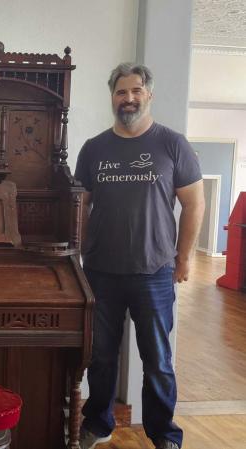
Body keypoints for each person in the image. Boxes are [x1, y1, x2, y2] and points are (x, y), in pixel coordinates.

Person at [74, 63, 205, 449]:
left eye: (135, 91)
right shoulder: (94, 148)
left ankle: (164, 434)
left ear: (148, 95)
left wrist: (184, 259)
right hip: (100, 272)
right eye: (120, 92)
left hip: (155, 272)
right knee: (99, 358)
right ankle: (99, 423)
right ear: (112, 97)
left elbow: (194, 204)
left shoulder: (172, 144)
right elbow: (82, 205)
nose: (127, 99)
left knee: (159, 362)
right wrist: (79, 257)